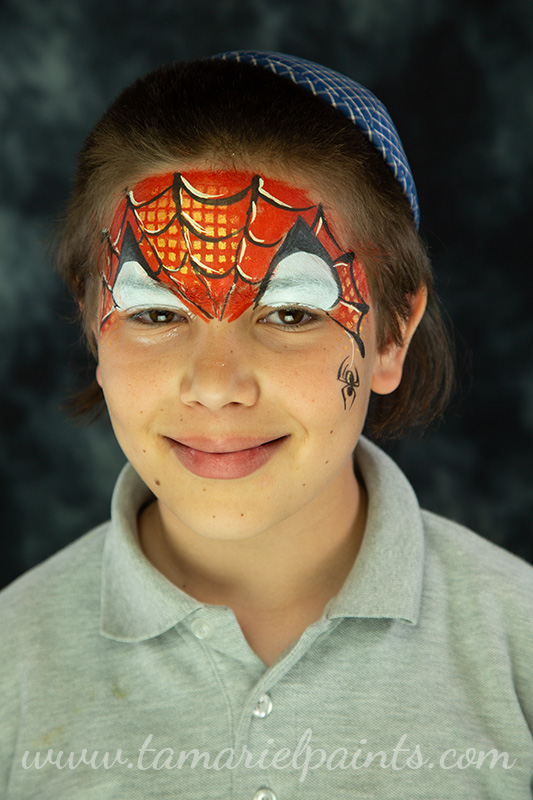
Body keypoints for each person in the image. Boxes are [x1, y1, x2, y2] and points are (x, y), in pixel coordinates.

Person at [1, 50, 532, 798]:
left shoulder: (518, 652)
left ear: (389, 339)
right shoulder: (11, 670)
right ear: (93, 328)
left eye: (291, 313)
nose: (216, 386)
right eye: (155, 313)